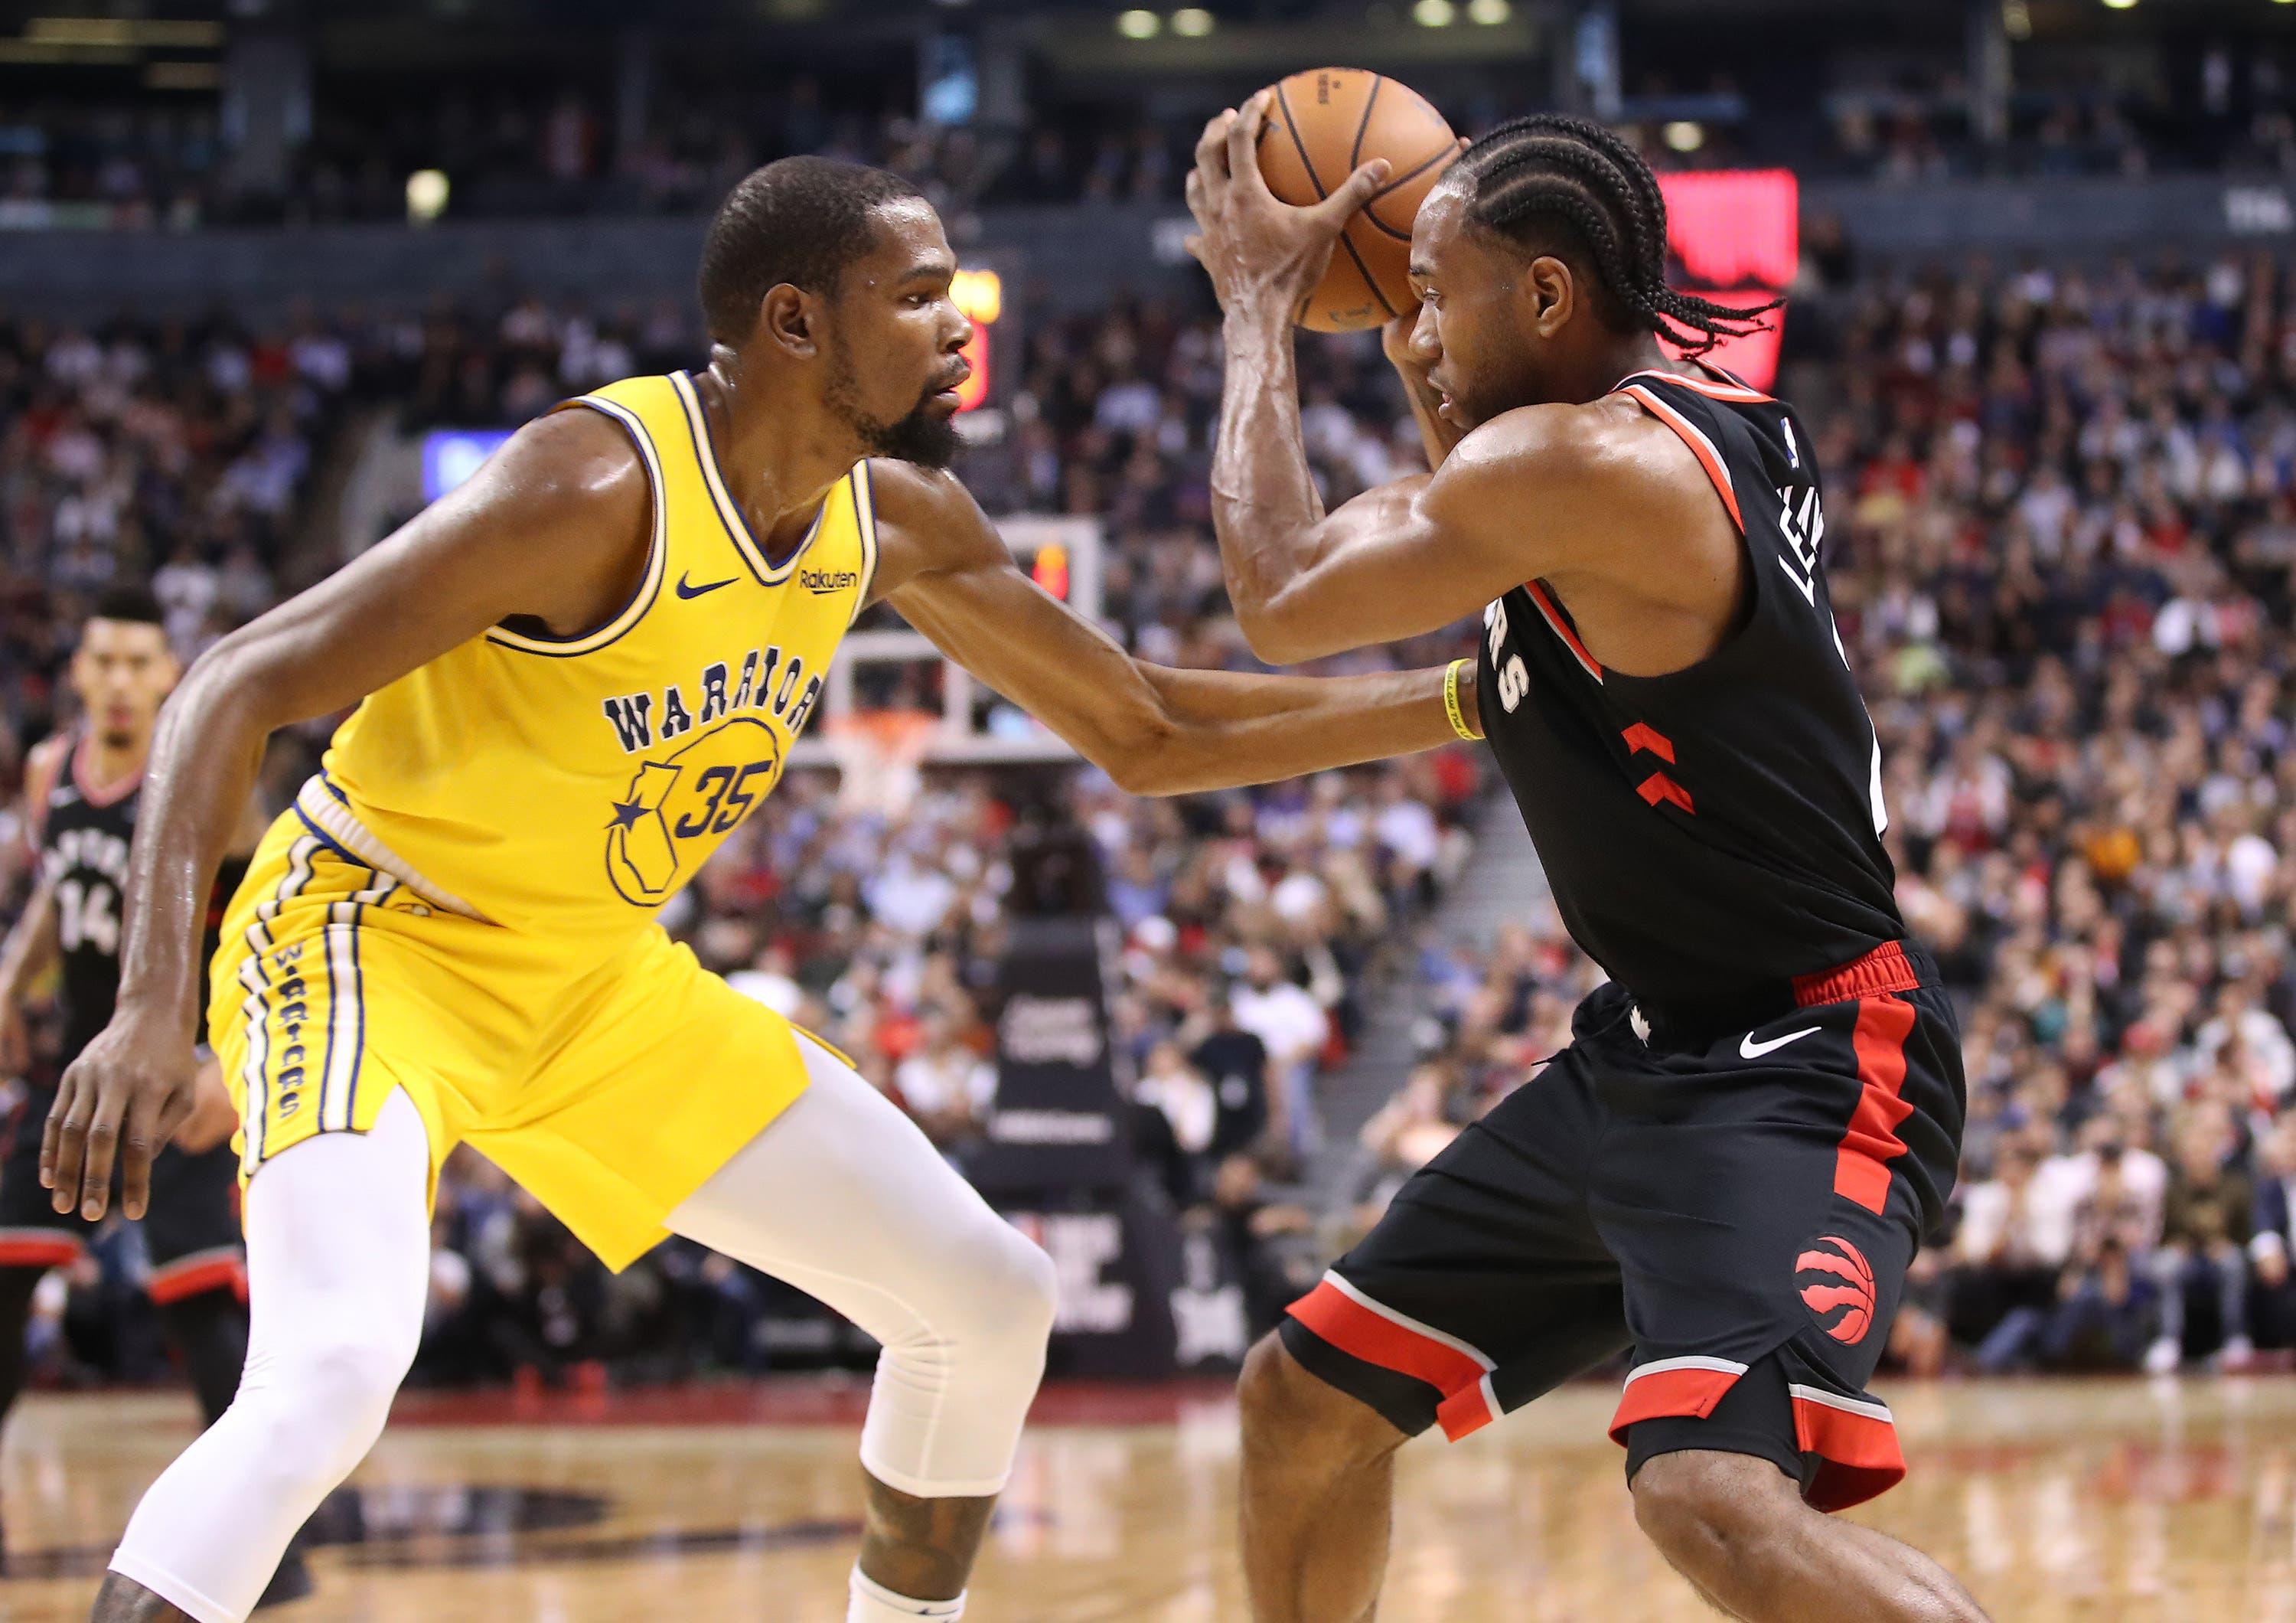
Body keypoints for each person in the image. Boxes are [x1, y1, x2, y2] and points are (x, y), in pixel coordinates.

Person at [44, 155, 1481, 1623]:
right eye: (918, 297)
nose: (957, 327)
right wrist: (153, 1010)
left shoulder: (896, 521)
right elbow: (228, 685)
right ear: (795, 323)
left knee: (984, 1301)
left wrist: (1460, 701)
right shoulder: (591, 486)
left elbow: (1147, 730)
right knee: (335, 1367)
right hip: (368, 940)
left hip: (593, 982)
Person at [1184, 106, 1986, 1621]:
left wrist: (1254, 305)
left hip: (1812, 1054)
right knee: (1301, 1401)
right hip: (1653, 1049)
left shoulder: (1589, 466)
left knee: (1707, 1496)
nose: (1409, 322)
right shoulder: (1661, 438)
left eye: (1433, 288)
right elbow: (1493, 547)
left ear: (1545, 298)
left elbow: (1282, 597)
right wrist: (1437, 383)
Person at [0, 590, 303, 1603]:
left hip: (181, 1077)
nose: (122, 681)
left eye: (141, 662)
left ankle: (270, 1548)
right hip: (77, 1072)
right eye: (105, 663)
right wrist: (12, 974)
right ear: (79, 675)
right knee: (5, 1268)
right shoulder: (52, 772)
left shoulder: (210, 777)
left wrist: (233, 1061)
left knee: (201, 1305)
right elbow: (59, 886)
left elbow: (273, 915)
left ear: (170, 674)